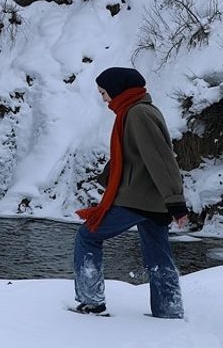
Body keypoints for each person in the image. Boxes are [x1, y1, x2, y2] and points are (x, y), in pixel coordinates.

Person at [72, 66, 188, 318]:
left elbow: (160, 158)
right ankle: (168, 311)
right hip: (151, 201)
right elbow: (129, 156)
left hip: (137, 199)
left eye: (104, 92)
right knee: (158, 256)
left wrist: (176, 201)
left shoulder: (137, 114)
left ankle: (92, 302)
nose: (103, 99)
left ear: (117, 90)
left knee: (88, 236)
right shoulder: (135, 111)